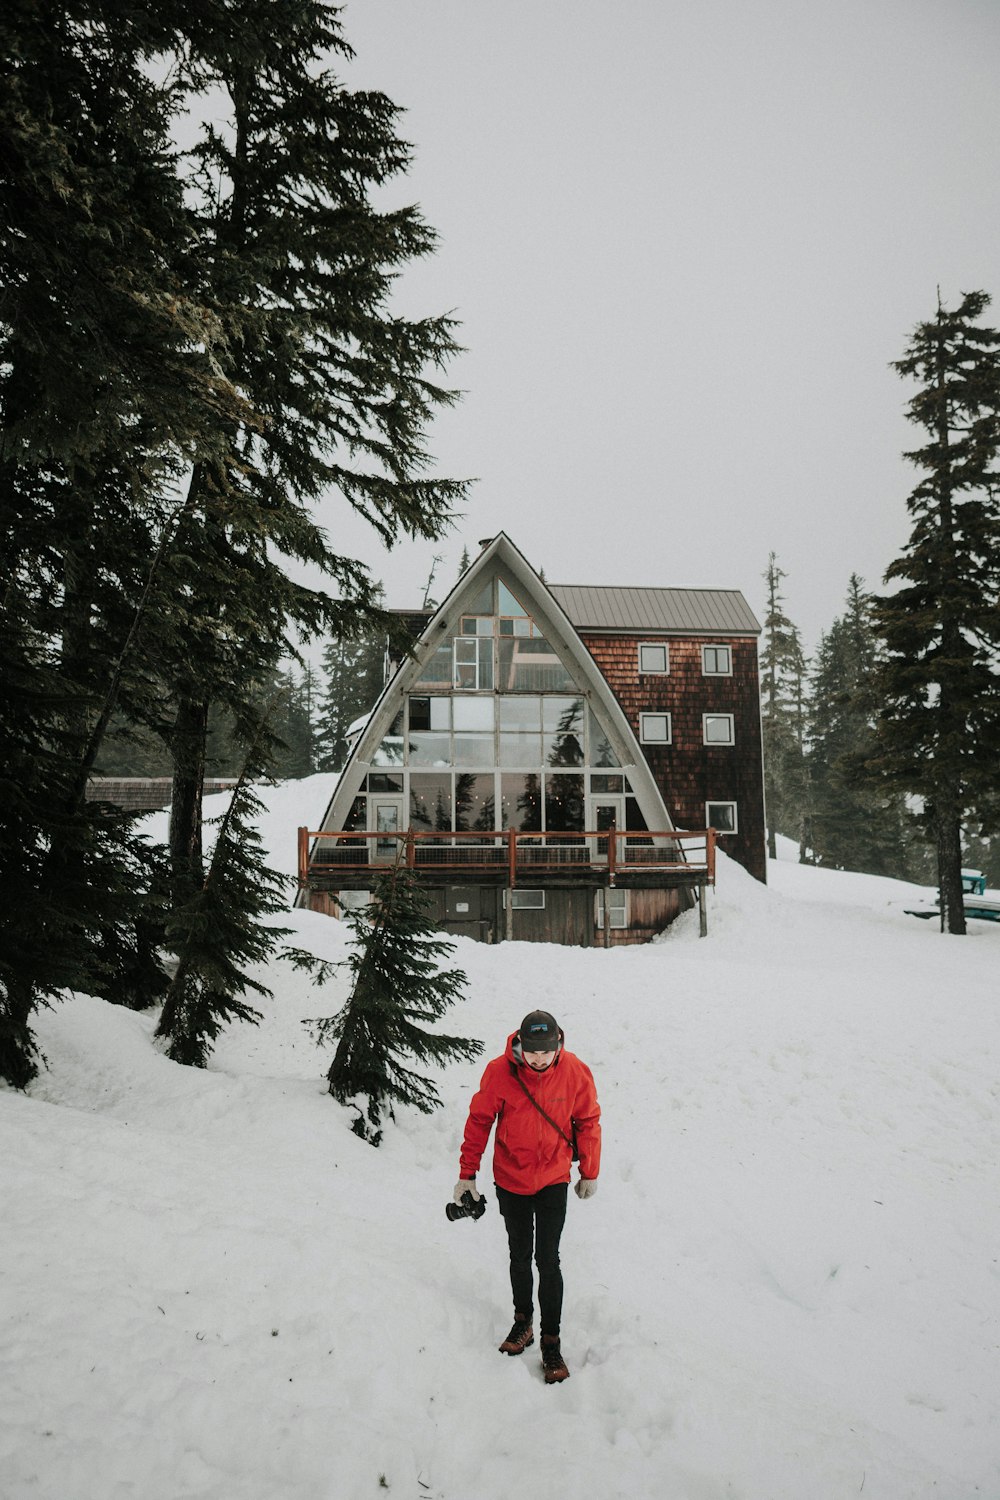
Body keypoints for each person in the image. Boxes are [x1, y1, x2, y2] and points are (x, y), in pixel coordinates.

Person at [452, 1009, 601, 1384]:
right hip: (512, 1178)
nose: (538, 1059)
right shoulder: (499, 1073)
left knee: (547, 1259)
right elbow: (479, 1122)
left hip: (553, 1178)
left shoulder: (575, 1072)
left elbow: (587, 1120)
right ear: (521, 1045)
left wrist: (590, 1171)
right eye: (532, 1052)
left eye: (546, 1052)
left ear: (558, 1046)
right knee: (519, 1255)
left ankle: (551, 1341)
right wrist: (466, 1175)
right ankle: (523, 1324)